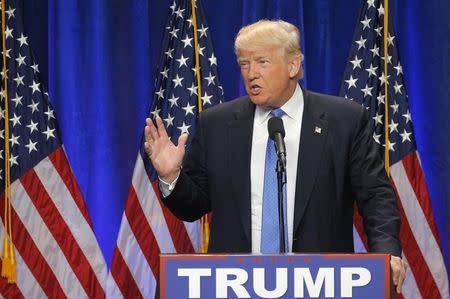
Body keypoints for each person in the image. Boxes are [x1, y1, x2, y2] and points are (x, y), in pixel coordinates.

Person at [144, 19, 406, 292]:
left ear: (293, 66)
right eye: (244, 64)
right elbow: (194, 206)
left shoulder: (344, 120)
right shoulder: (217, 124)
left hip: (320, 284)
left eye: (262, 62)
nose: (251, 74)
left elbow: (376, 196)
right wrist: (171, 175)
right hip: (236, 286)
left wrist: (388, 252)